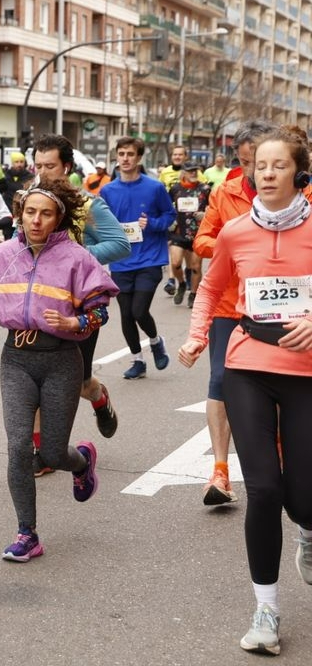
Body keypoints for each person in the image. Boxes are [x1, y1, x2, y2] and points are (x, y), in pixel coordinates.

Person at [178, 128, 312, 656]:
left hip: (306, 372)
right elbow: (211, 287)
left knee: (302, 495)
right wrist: (194, 335)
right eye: (262, 166)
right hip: (248, 363)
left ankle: (308, 528)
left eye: (280, 165)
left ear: (299, 172)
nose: (269, 174)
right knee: (263, 489)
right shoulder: (234, 231)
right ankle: (266, 610)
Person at [0, 182, 116, 563]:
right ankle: (27, 533)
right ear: (20, 214)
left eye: (46, 213)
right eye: (30, 212)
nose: (36, 220)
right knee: (19, 446)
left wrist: (74, 324)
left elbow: (100, 310)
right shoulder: (3, 255)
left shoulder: (78, 258)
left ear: (59, 218)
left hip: (61, 360)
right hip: (16, 358)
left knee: (52, 451)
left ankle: (81, 462)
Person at [190, 122, 309, 506]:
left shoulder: (303, 195)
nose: (259, 174)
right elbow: (204, 239)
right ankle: (221, 470)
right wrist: (235, 241)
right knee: (221, 382)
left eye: (271, 164)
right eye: (250, 165)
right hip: (234, 310)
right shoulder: (224, 192)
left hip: (294, 323)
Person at [29, 136, 131, 473]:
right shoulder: (30, 203)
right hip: (38, 305)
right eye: (38, 166)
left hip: (80, 306)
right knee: (36, 380)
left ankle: (98, 396)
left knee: (78, 383)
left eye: (50, 166)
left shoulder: (87, 206)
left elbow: (119, 244)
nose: (43, 173)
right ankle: (42, 453)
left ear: (67, 168)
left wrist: (75, 258)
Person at [99, 136, 176, 379]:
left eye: (130, 154)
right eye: (121, 154)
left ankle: (155, 341)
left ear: (139, 158)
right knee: (125, 314)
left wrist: (151, 223)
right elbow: (101, 222)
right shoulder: (108, 190)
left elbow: (169, 216)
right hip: (121, 260)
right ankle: (138, 360)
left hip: (150, 259)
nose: (125, 159)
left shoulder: (154, 187)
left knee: (139, 311)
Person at [165, 160, 211, 309]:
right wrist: (169, 221)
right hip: (178, 232)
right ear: (183, 172)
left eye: (195, 170)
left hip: (198, 234)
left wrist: (205, 214)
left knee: (195, 267)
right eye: (190, 170)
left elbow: (214, 208)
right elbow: (166, 208)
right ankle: (182, 284)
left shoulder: (204, 189)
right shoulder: (175, 189)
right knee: (176, 263)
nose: (193, 173)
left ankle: (193, 294)